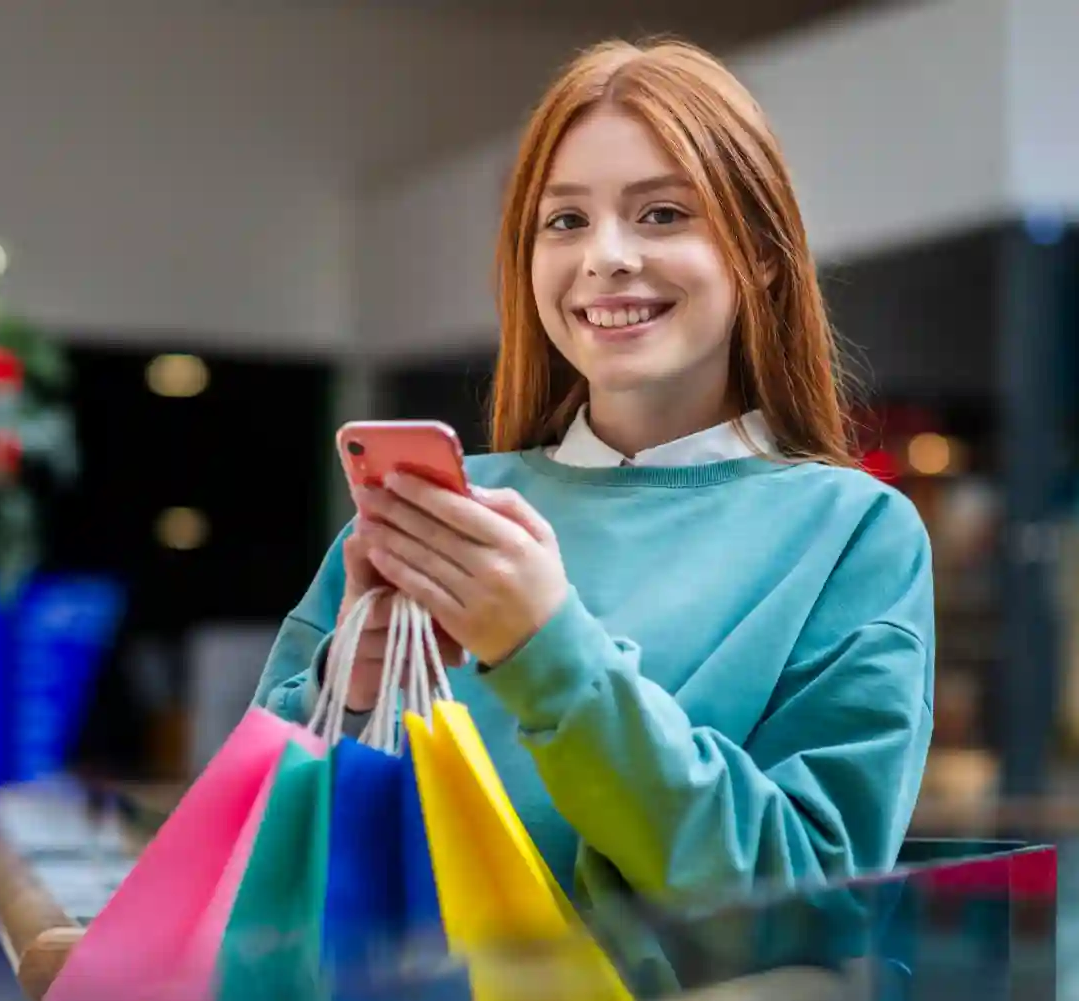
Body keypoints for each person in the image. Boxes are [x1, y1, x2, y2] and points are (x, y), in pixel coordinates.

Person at [251, 35, 932, 967]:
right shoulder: (445, 512)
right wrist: (350, 691)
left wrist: (548, 650)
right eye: (563, 222)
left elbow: (805, 909)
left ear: (764, 255)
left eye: (660, 214)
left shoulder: (852, 533)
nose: (605, 258)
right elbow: (255, 854)